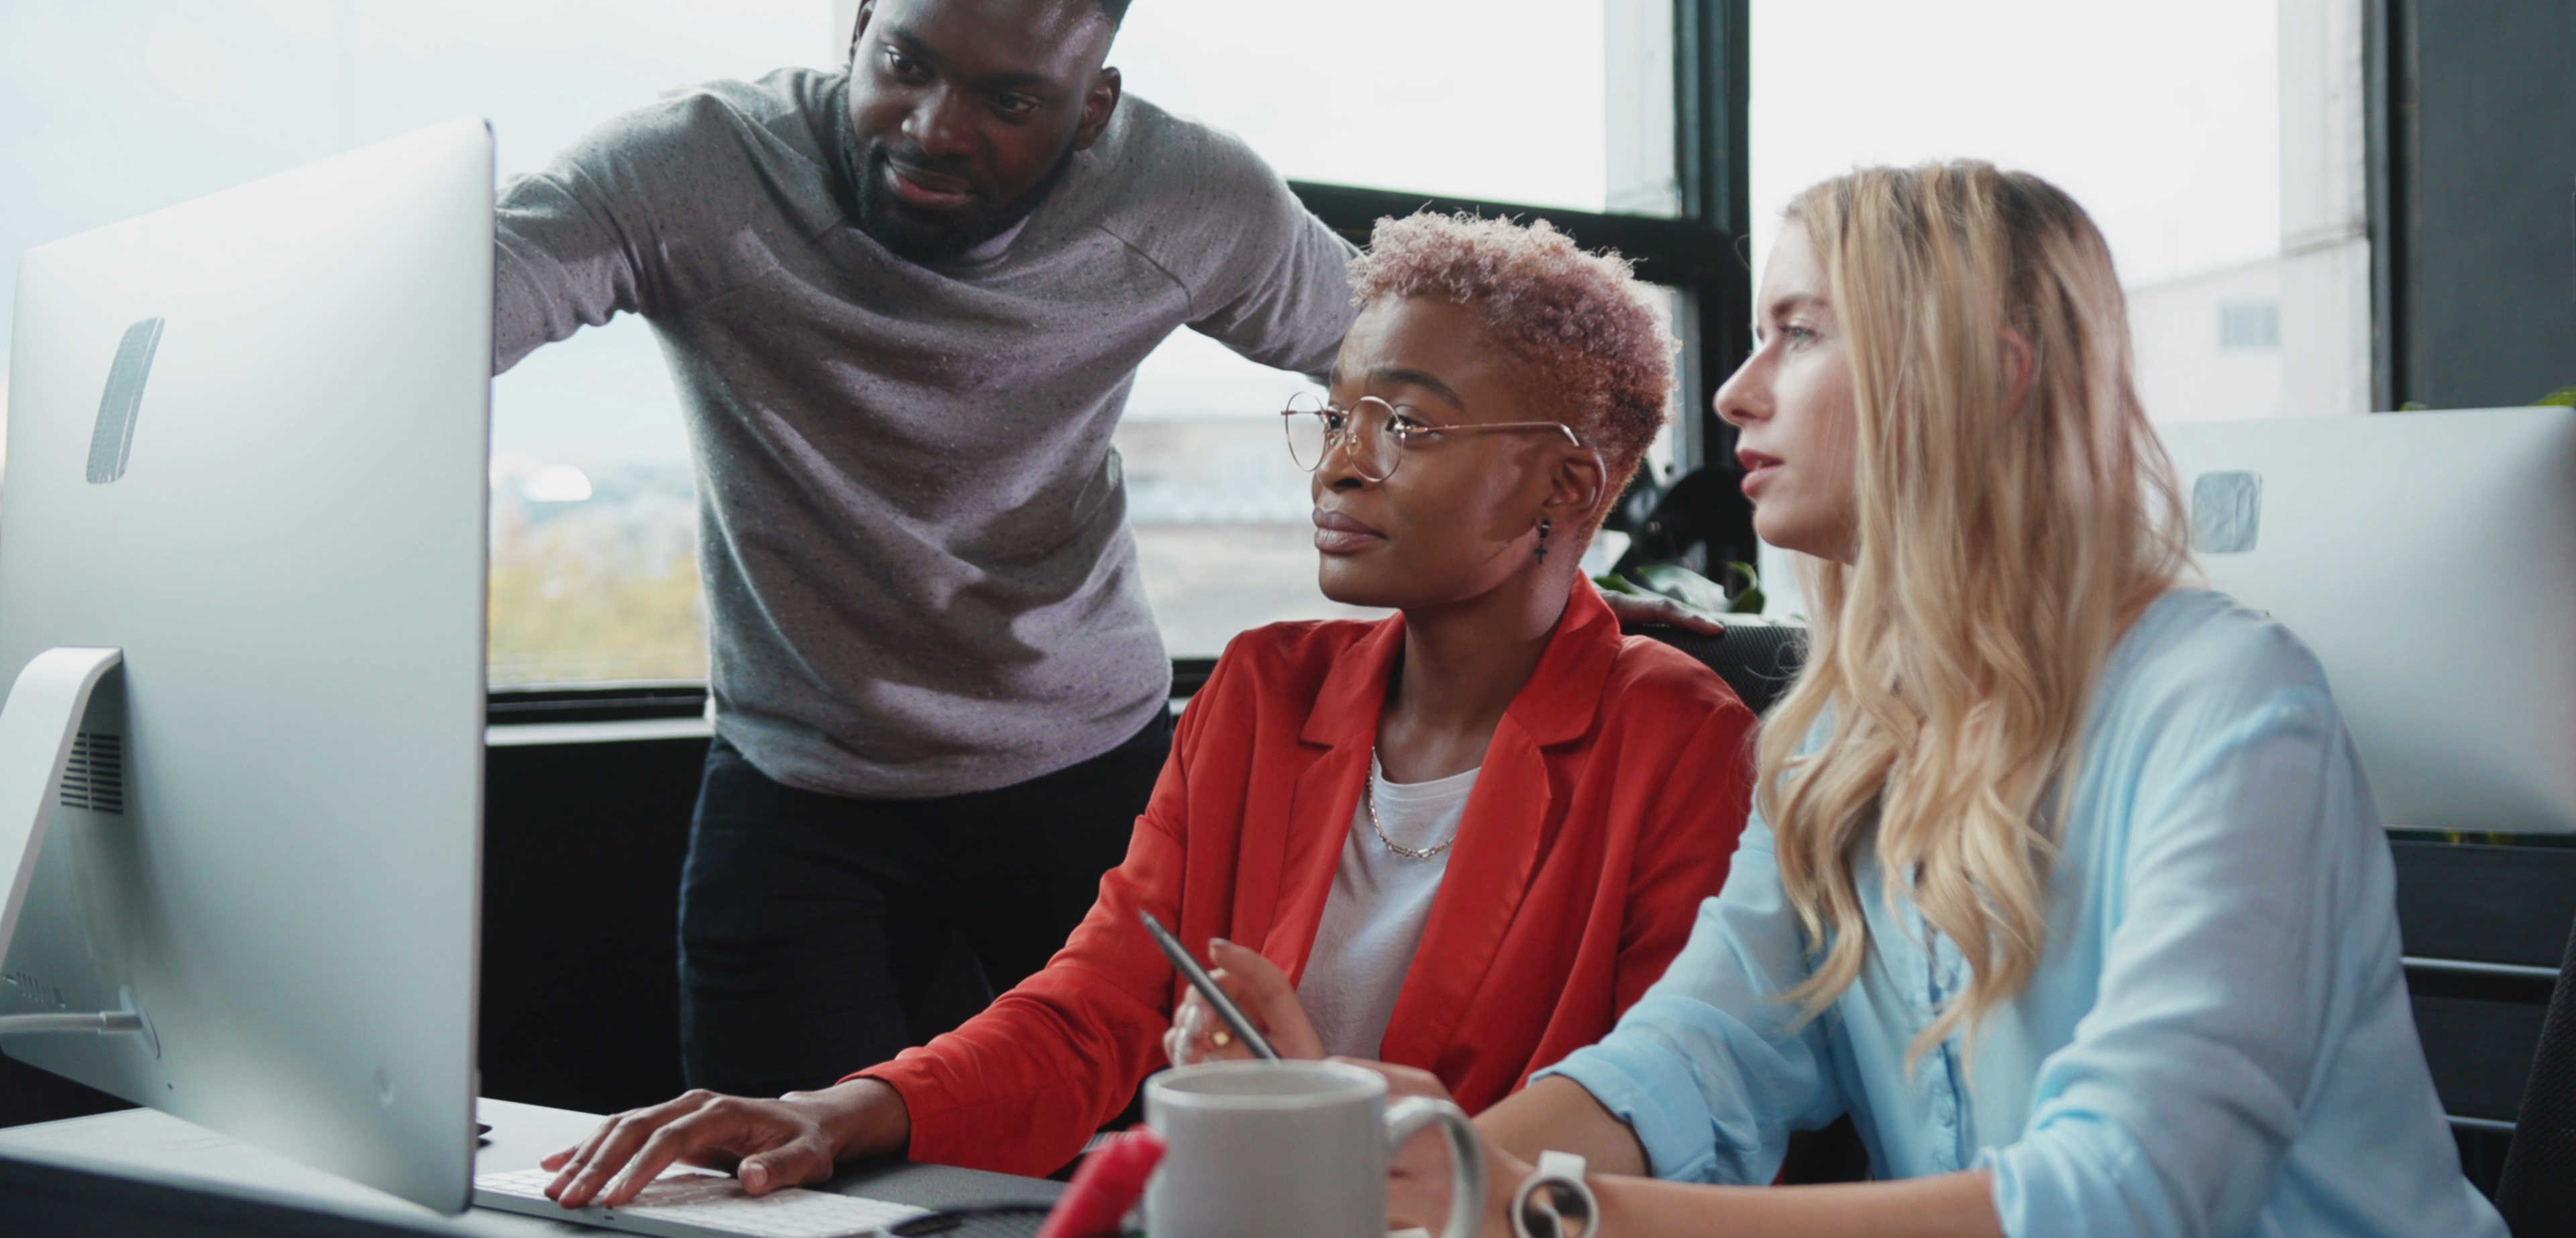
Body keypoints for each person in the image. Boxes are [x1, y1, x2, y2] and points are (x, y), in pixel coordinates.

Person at [494, 0, 1710, 1098]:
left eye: (1008, 98)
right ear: (856, 26)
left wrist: (1563, 596)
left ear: (1093, 110)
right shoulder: (687, 172)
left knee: (1146, 1136)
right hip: (802, 772)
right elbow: (449, 304)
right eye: (902, 62)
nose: (931, 126)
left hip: (1079, 762)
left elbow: (1442, 381)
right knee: (773, 1165)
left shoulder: (1186, 199)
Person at [1351, 163, 2511, 1237]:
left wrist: (1559, 1212)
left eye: (1799, 336)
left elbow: (2125, 1193)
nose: (1736, 395)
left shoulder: (2234, 709)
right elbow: (1693, 1056)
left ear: (1989, 378)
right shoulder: (1839, 741)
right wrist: (1433, 1177)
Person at [534, 212, 1760, 1207]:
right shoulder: (1267, 688)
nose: (1340, 462)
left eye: (1408, 426)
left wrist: (1321, 1103)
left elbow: (1647, 1128)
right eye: (1338, 415)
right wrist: (836, 1110)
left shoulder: (1680, 740)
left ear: (1567, 483)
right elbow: (1098, 1009)